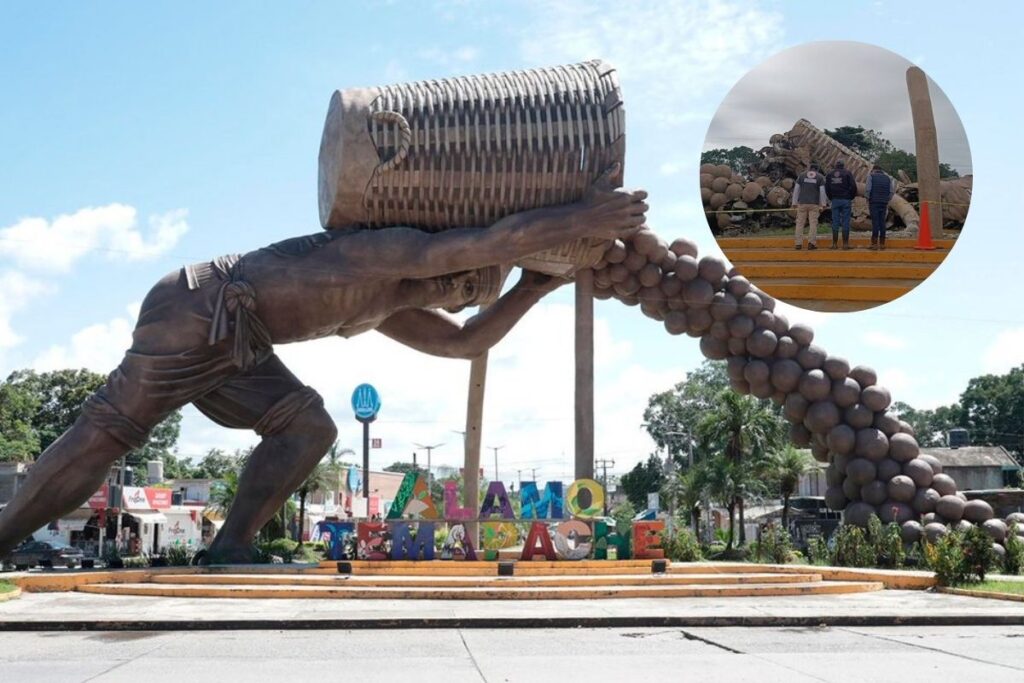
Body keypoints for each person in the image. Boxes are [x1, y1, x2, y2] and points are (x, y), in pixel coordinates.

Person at [0, 168, 648, 563]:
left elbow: (465, 344)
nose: (457, 297)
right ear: (442, 259)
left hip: (240, 345)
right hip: (202, 305)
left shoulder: (390, 307)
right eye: (462, 283)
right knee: (108, 429)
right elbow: (482, 240)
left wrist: (532, 287)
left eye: (468, 294)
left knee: (308, 427)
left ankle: (231, 544)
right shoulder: (385, 252)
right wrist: (582, 218)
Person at [792, 163, 826, 250]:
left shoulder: (802, 175)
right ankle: (811, 243)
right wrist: (823, 204)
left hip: (802, 203)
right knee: (813, 224)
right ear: (817, 169)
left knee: (799, 223)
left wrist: (794, 202)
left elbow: (796, 189)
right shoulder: (820, 177)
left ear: (809, 168)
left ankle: (798, 244)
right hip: (814, 204)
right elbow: (822, 191)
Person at [825, 159, 857, 250]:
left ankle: (834, 244)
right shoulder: (847, 173)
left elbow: (827, 188)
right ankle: (845, 244)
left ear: (835, 165)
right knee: (845, 222)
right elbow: (853, 186)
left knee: (835, 222)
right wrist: (851, 196)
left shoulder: (830, 174)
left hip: (835, 200)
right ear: (843, 165)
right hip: (846, 200)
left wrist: (831, 197)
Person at [865, 164, 893, 250]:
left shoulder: (871, 176)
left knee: (875, 222)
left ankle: (874, 244)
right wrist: (886, 199)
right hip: (884, 203)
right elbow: (891, 192)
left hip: (874, 202)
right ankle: (882, 244)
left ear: (874, 170)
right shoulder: (888, 178)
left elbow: (868, 189)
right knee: (882, 222)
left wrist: (867, 198)